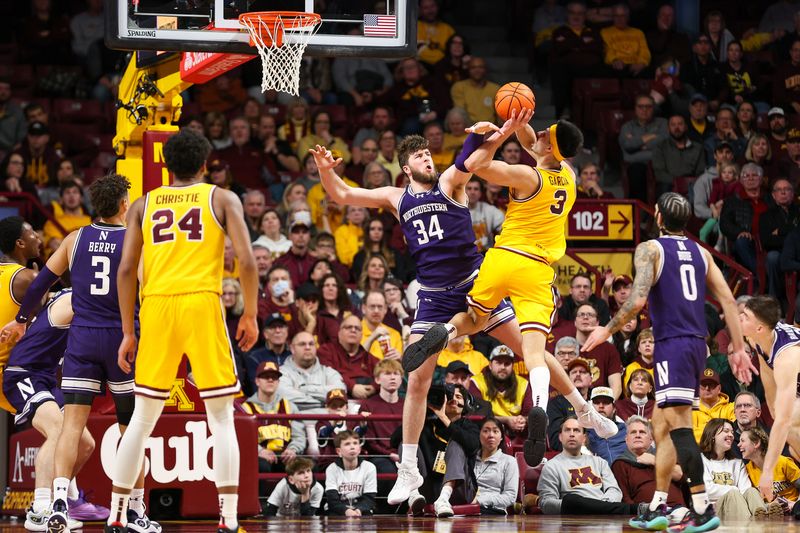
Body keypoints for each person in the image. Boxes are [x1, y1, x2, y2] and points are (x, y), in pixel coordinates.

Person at [309, 114, 614, 506]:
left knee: (530, 349)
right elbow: (344, 195)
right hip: (435, 295)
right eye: (419, 156)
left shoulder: (450, 183)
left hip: (475, 282)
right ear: (406, 167)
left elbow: (474, 163)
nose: (427, 160)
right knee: (417, 380)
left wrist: (495, 135)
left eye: (427, 154)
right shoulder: (395, 197)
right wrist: (324, 170)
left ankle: (583, 409)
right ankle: (408, 470)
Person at [103, 129, 259, 533]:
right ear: (206, 163)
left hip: (156, 307)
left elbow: (125, 271)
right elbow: (247, 261)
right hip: (201, 302)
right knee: (221, 417)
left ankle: (117, 514)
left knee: (141, 419)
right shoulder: (221, 198)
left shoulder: (142, 204)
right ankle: (227, 518)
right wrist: (250, 314)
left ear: (166, 165)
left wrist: (127, 331)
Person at [583, 192, 753, 532]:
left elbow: (637, 299)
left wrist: (607, 328)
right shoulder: (702, 252)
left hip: (673, 344)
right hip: (696, 345)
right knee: (660, 426)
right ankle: (659, 504)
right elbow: (729, 301)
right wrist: (737, 347)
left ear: (658, 215)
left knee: (679, 428)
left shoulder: (650, 248)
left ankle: (701, 507)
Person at [0, 177, 157, 533]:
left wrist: (23, 320)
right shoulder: (136, 240)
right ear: (122, 205)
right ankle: (133, 510)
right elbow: (150, 289)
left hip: (82, 340)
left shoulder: (75, 238)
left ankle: (57, 502)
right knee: (130, 430)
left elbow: (41, 283)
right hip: (120, 339)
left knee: (71, 428)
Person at [2, 290, 104, 530]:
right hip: (23, 373)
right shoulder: (72, 299)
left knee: (84, 442)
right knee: (58, 430)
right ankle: (40, 509)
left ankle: (68, 499)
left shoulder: (82, 299)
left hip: (45, 378)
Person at [738, 295, 800, 503]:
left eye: (745, 316)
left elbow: (783, 420)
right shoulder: (756, 337)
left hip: (793, 366)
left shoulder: (787, 358)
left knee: (791, 423)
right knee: (793, 446)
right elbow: (768, 384)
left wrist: (767, 471)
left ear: (759, 328)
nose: (739, 319)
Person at [537, 417, 637, 516]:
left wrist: (600, 506)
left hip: (604, 518)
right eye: (567, 430)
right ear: (560, 437)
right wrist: (572, 506)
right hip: (574, 519)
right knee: (571, 499)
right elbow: (546, 503)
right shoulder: (551, 466)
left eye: (576, 430)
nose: (572, 434)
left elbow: (614, 490)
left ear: (584, 438)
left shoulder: (600, 462)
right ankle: (639, 509)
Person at [0, 216, 40, 410]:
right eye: (32, 233)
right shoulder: (27, 278)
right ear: (20, 243)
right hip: (8, 376)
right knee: (62, 427)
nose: (39, 238)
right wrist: (40, 284)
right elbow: (44, 322)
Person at [700, 418, 771, 520]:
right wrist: (733, 489)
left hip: (737, 507)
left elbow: (745, 490)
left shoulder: (737, 463)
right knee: (733, 494)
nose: (731, 435)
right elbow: (707, 490)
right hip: (712, 511)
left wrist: (735, 492)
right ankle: (753, 524)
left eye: (732, 432)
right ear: (712, 435)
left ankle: (763, 520)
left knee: (751, 491)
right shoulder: (700, 460)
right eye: (726, 431)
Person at [611, 416, 684, 507]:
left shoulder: (666, 455)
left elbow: (681, 476)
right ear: (626, 440)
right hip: (647, 514)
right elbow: (625, 498)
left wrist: (655, 461)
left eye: (642, 432)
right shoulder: (620, 464)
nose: (638, 435)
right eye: (633, 432)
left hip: (677, 509)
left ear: (651, 439)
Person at [739, 427, 799, 513]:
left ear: (756, 443)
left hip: (793, 512)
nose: (738, 444)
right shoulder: (747, 469)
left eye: (743, 441)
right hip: (770, 514)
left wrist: (795, 504)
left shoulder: (783, 462)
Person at [324, 430, 378, 517]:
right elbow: (332, 500)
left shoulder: (369, 467)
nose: (352, 447)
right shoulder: (332, 469)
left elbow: (369, 499)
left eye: (355, 443)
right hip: (338, 512)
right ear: (339, 451)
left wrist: (359, 510)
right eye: (347, 444)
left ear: (360, 449)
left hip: (361, 511)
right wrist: (346, 511)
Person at [473, 417, 519, 515]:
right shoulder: (470, 459)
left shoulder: (509, 461)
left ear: (501, 437)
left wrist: (480, 500)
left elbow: (510, 496)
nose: (491, 435)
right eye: (486, 431)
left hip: (493, 511)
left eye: (495, 431)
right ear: (479, 435)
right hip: (467, 508)